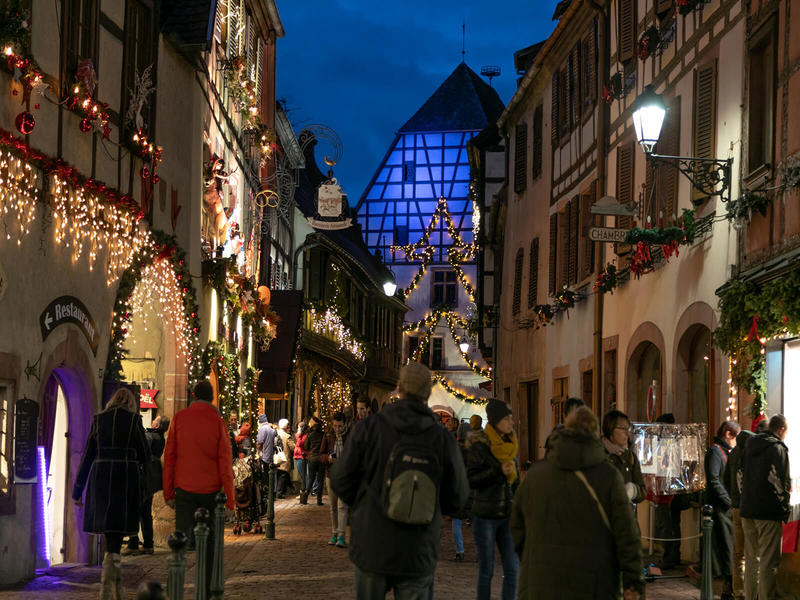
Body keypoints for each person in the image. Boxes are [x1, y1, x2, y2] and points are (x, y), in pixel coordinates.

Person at [330, 361, 469, 599]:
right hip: (418, 548)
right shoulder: (441, 439)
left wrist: (365, 504)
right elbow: (459, 498)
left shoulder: (369, 429)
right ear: (427, 393)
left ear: (398, 387)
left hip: (372, 543)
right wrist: (427, 506)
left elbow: (340, 479)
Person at [511, 406, 644, 600]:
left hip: (541, 584)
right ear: (595, 434)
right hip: (594, 582)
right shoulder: (608, 477)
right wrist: (634, 581)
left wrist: (533, 558)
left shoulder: (536, 475)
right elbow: (627, 535)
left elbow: (516, 526)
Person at [72, 388, 150, 600]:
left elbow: (88, 455)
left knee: (110, 532)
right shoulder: (134, 421)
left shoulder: (99, 420)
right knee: (117, 531)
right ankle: (110, 587)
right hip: (125, 479)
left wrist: (77, 490)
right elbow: (145, 454)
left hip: (101, 479)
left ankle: (110, 587)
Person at [162, 381, 235, 598]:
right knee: (210, 545)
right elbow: (225, 462)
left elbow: (170, 458)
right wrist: (230, 500)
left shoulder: (179, 419)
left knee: (180, 542)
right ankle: (205, 591)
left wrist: (168, 492)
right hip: (210, 492)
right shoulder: (218, 422)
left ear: (194, 396)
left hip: (184, 489)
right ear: (212, 398)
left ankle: (174, 589)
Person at [465, 399, 519, 600]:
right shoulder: (479, 445)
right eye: (507, 418)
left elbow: (515, 483)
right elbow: (472, 479)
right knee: (486, 570)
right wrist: (498, 471)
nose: (511, 423)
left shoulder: (511, 444)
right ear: (496, 420)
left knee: (512, 570)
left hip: (507, 513)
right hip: (485, 515)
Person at [741, 414, 790, 600]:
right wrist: (783, 507)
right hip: (768, 512)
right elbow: (781, 483)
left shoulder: (749, 445)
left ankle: (750, 597)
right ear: (781, 430)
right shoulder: (777, 449)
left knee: (752, 560)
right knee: (769, 563)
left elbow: (741, 476)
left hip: (748, 510)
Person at [124, 415, 170, 555]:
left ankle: (133, 543)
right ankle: (148, 543)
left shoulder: (150, 436)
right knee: (145, 510)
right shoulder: (159, 437)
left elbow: (141, 451)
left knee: (135, 508)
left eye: (155, 420)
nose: (153, 420)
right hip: (152, 476)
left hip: (144, 475)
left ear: (157, 425)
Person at [704, 420, 740, 600]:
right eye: (735, 437)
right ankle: (727, 587)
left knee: (729, 547)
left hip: (725, 507)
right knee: (725, 547)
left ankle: (729, 586)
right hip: (719, 508)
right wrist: (728, 500)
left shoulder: (725, 451)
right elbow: (714, 479)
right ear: (727, 434)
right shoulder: (715, 452)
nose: (735, 442)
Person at [724, 427, 756, 600]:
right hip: (750, 508)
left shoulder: (733, 453)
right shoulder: (752, 454)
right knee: (752, 553)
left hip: (736, 507)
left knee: (738, 553)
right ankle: (752, 592)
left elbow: (726, 479)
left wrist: (733, 498)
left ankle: (738, 593)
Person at [601, 410, 646, 504]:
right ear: (610, 429)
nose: (627, 433)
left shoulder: (630, 456)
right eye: (622, 428)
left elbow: (643, 490)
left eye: (628, 429)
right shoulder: (596, 455)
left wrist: (634, 491)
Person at [320, 411, 350, 547]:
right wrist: (328, 458)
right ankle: (334, 533)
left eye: (340, 426)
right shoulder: (328, 435)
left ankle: (342, 535)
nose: (337, 429)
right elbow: (320, 455)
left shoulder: (350, 437)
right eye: (335, 426)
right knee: (333, 506)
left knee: (342, 506)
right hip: (331, 474)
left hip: (345, 475)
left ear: (345, 425)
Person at [305, 415, 325, 505]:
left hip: (312, 458)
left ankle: (305, 496)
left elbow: (306, 446)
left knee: (311, 478)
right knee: (320, 480)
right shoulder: (323, 434)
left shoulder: (310, 434)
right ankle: (319, 500)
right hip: (320, 458)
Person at [274, 418, 294, 499]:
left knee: (279, 475)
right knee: (283, 475)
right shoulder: (287, 436)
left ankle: (280, 491)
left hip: (277, 458)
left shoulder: (276, 433)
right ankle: (280, 492)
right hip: (284, 458)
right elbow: (293, 447)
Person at [294, 421, 309, 503]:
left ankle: (305, 491)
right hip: (299, 456)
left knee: (303, 474)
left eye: (299, 428)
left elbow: (300, 444)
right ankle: (304, 491)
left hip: (302, 457)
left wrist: (298, 434)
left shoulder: (305, 435)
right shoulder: (302, 435)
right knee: (302, 474)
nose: (298, 429)